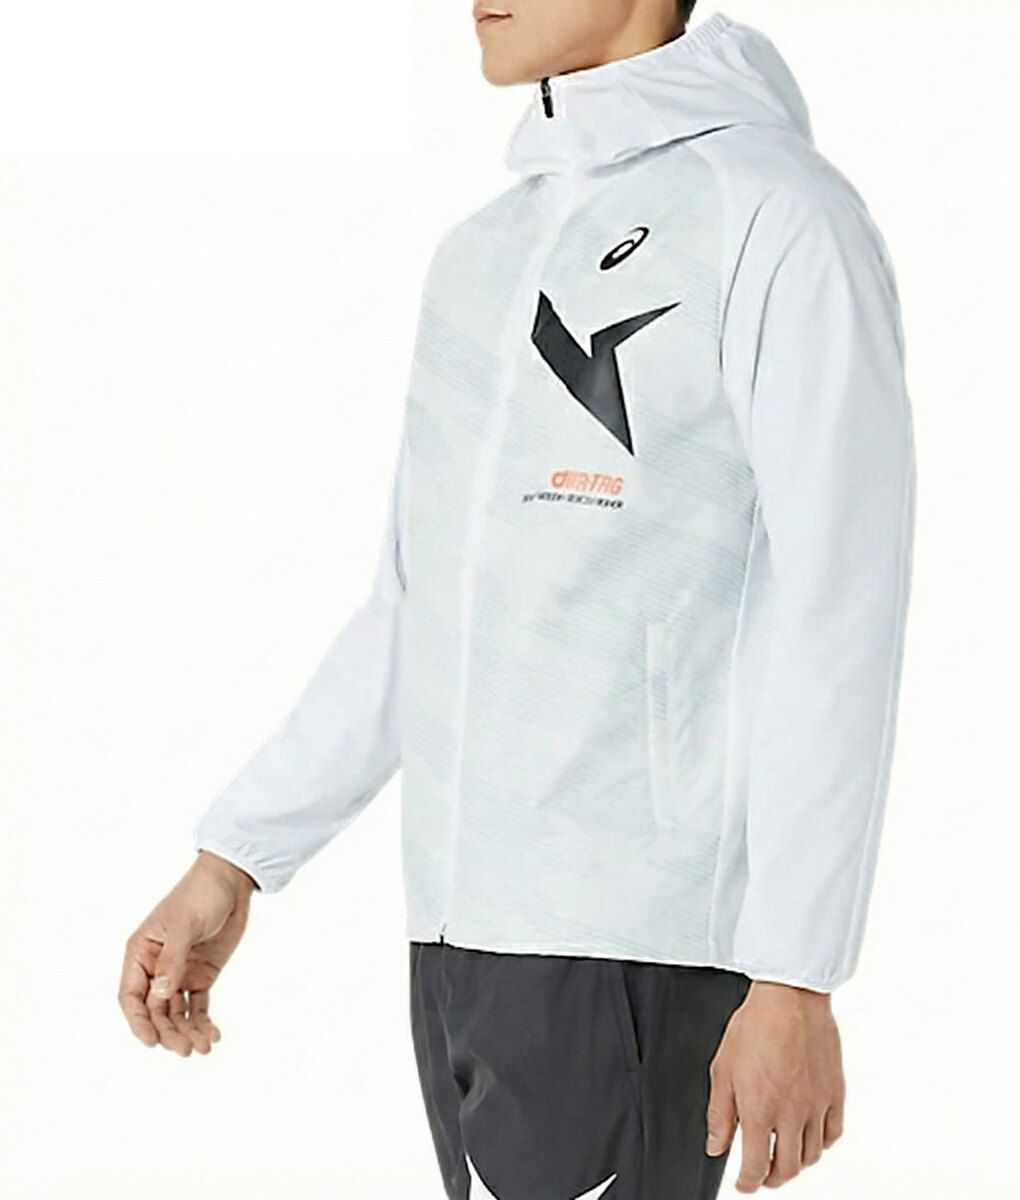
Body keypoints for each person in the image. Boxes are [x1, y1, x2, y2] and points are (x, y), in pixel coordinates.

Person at [118, 4, 916, 1197]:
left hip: (634, 942)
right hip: (456, 933)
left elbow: (839, 613)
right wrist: (235, 858)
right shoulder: (484, 252)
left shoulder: (777, 218)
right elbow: (416, 612)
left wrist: (796, 973)